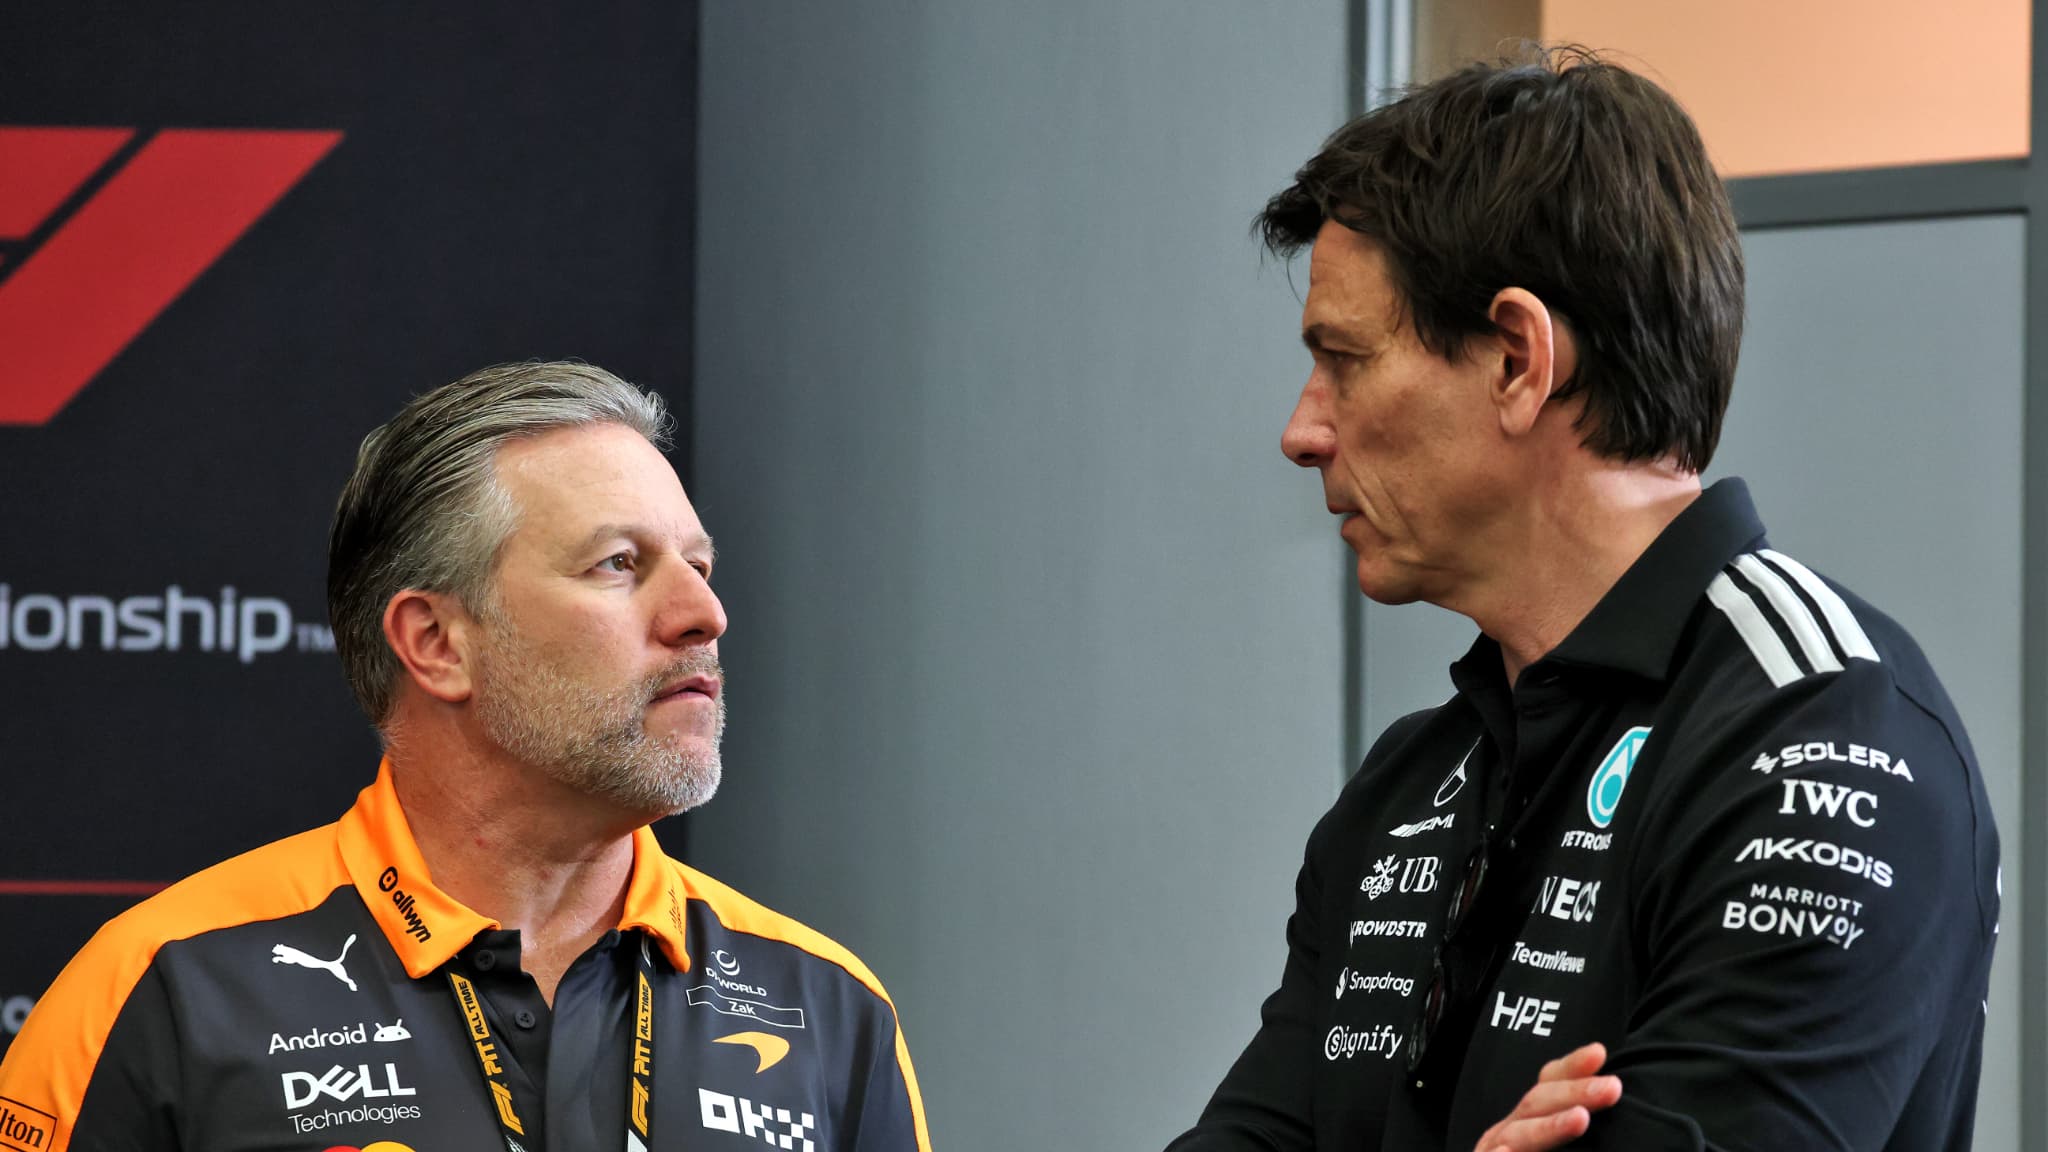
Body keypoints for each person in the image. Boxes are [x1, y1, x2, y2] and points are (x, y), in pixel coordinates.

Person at [1166, 48, 2000, 1152]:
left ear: (1518, 360)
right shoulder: (1406, 787)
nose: (1302, 430)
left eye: (1345, 359)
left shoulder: (1824, 732)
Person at [0, 362, 931, 1152]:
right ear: (437, 643)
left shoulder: (829, 1009)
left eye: (700, 566)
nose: (704, 615)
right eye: (619, 563)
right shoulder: (163, 989)